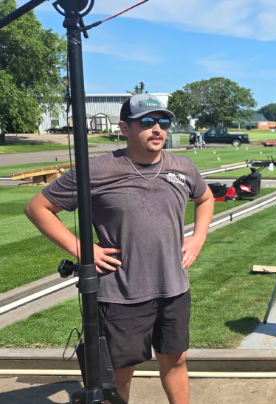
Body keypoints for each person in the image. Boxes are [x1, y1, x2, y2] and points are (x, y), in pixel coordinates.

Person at [24, 93, 214, 404]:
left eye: (163, 122)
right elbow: (38, 208)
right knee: (119, 375)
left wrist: (198, 238)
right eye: (147, 122)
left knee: (176, 361)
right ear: (125, 128)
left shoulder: (183, 167)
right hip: (121, 295)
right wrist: (82, 249)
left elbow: (205, 198)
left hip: (174, 289)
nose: (158, 129)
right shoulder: (98, 170)